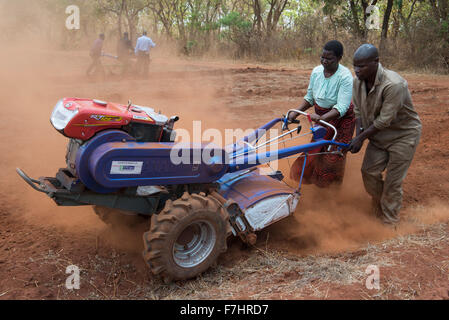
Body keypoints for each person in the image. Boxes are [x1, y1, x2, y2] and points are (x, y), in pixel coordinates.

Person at [348, 44, 422, 225]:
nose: (357, 70)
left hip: (403, 136)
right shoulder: (357, 82)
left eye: (362, 66)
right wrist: (359, 133)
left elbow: (383, 121)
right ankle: (379, 203)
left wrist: (360, 138)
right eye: (355, 65)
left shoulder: (394, 84)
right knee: (368, 172)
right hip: (378, 136)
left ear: (376, 62)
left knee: (392, 182)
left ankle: (389, 223)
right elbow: (358, 111)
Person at [288, 40, 355, 188]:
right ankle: (314, 181)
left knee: (333, 156)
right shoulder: (316, 72)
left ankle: (332, 190)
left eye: (329, 58)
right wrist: (295, 113)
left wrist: (322, 118)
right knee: (315, 150)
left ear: (339, 58)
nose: (324, 61)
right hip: (323, 119)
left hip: (341, 121)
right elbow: (310, 98)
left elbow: (342, 107)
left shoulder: (345, 77)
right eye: (322, 57)